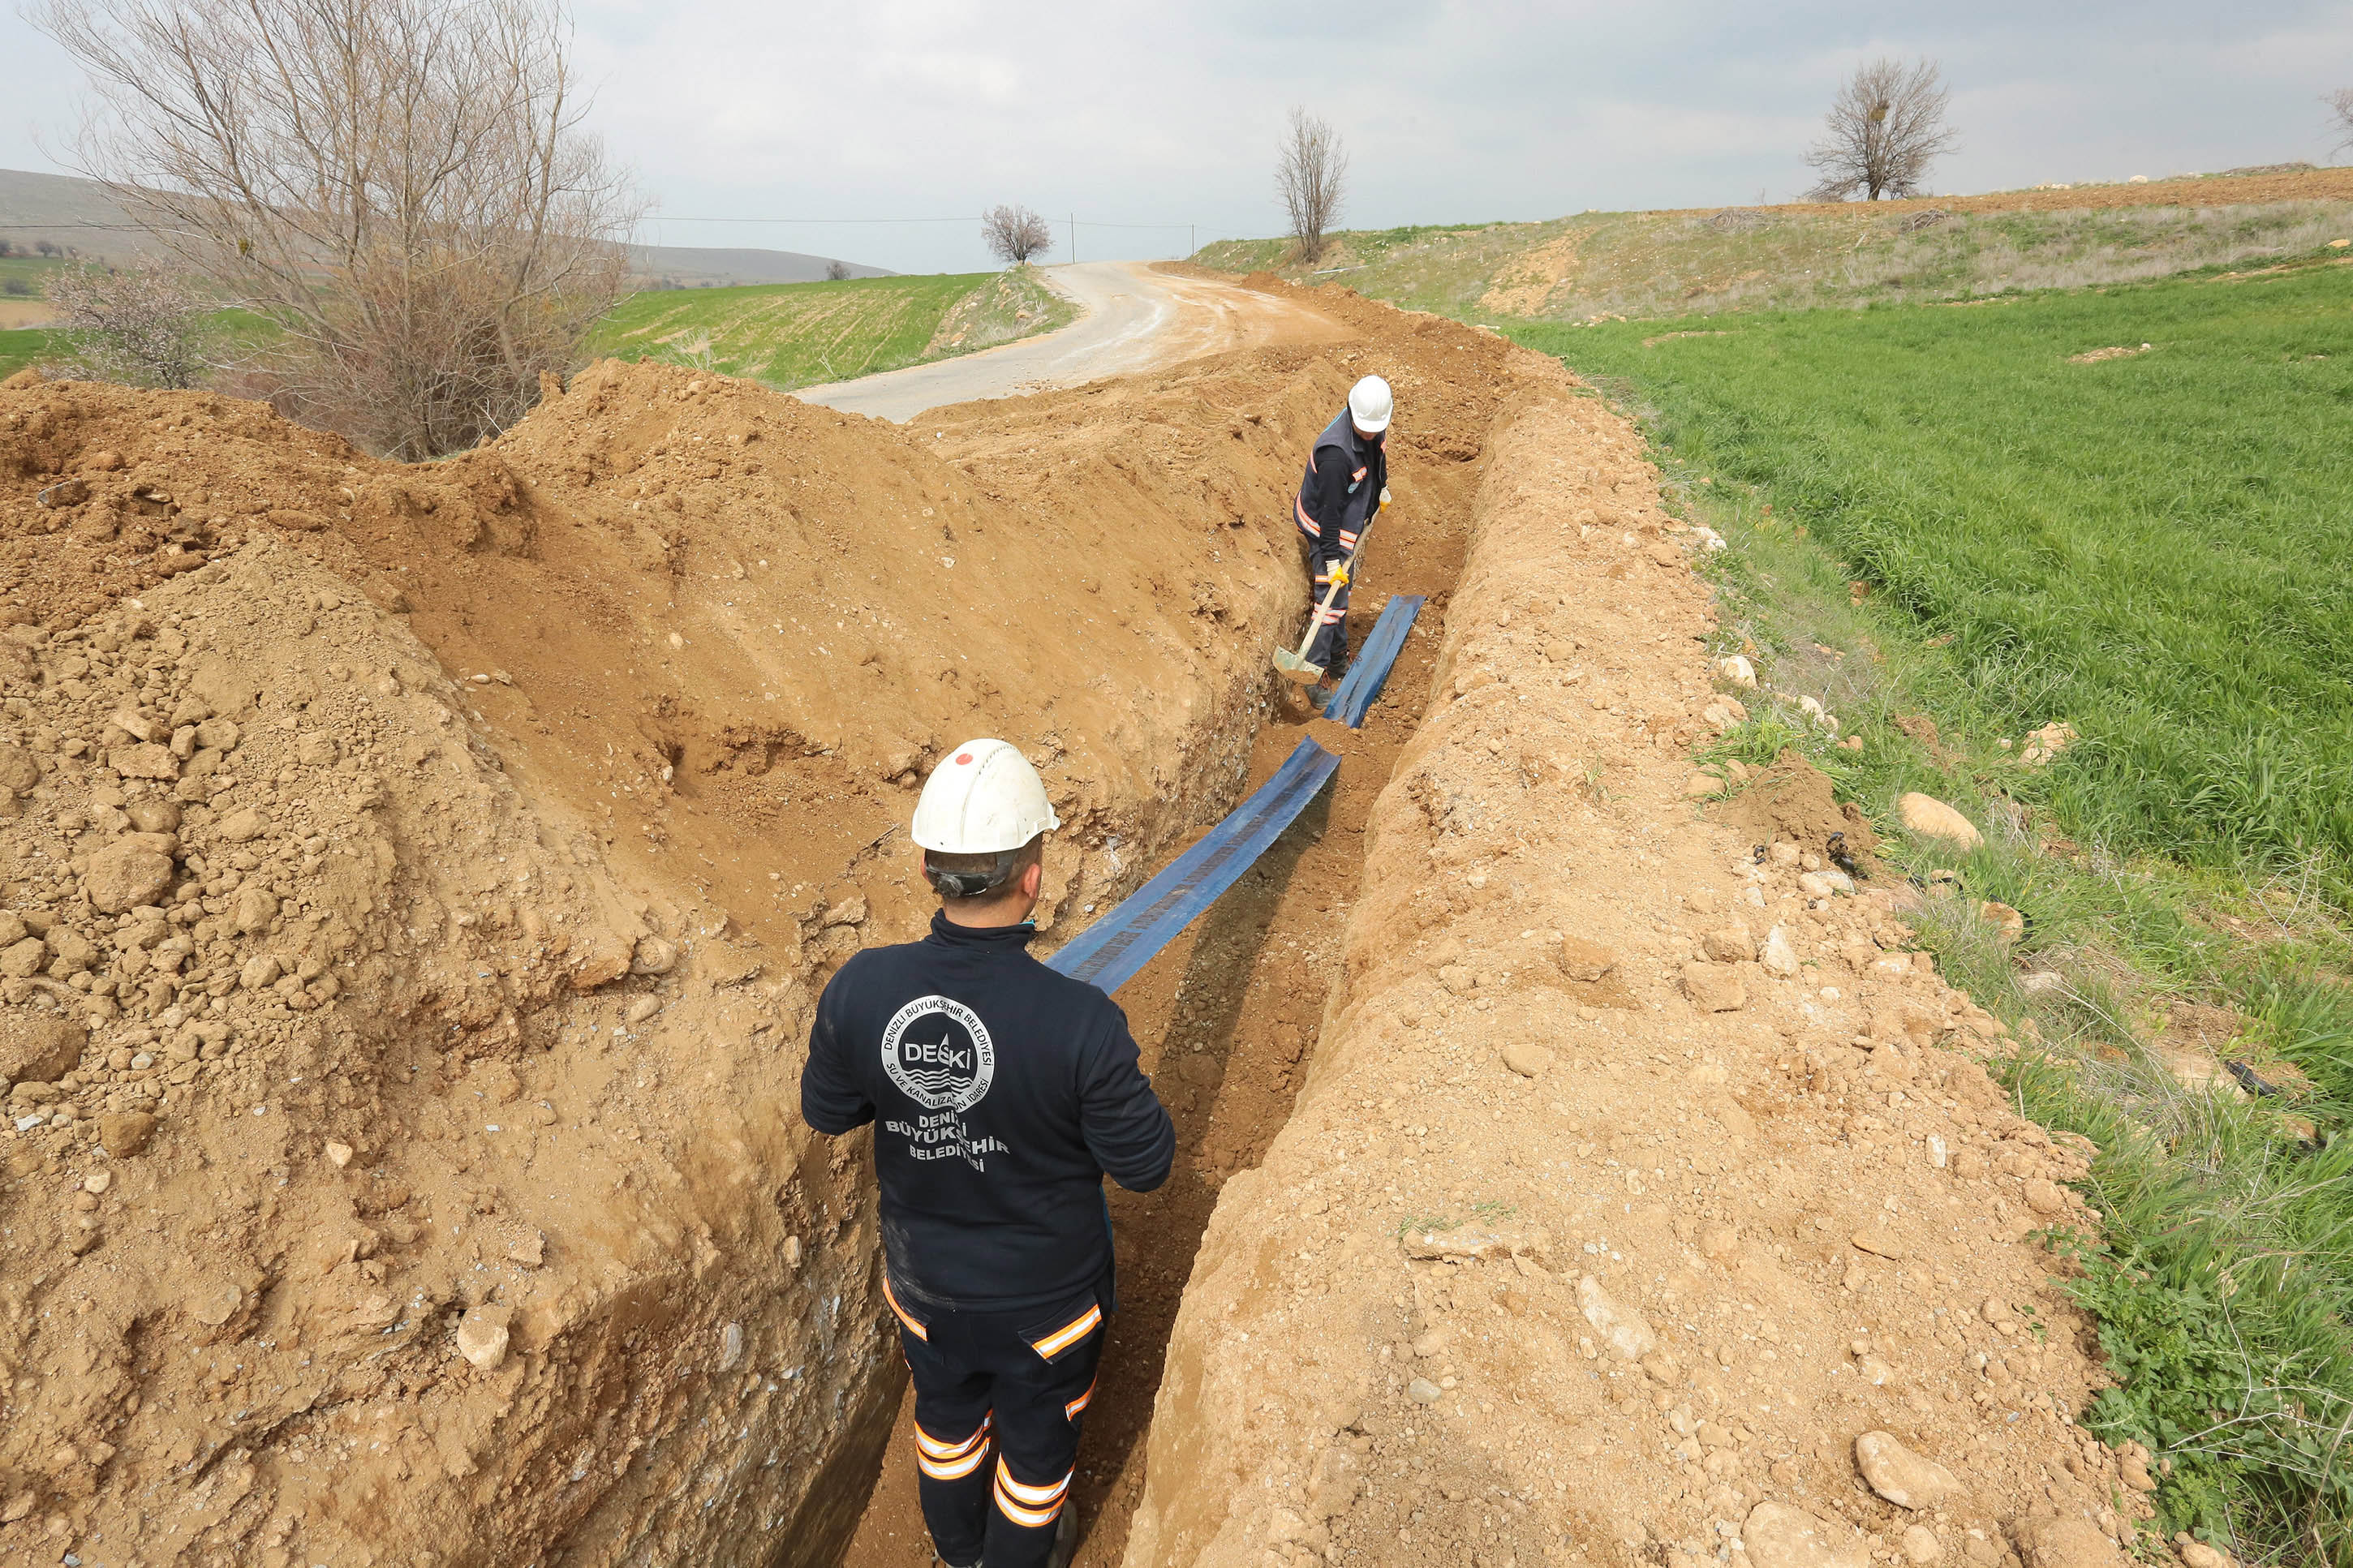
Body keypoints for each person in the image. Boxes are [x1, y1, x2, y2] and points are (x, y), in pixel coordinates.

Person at [800, 739, 1176, 1568]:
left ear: (930, 869)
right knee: (1037, 1452)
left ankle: (958, 1553)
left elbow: (827, 1111)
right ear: (1031, 876)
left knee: (945, 1422)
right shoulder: (1080, 1023)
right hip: (1047, 1307)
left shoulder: (860, 988)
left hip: (926, 1288)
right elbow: (1146, 1165)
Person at [1292, 373, 1392, 703]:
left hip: (1347, 508)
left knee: (1340, 592)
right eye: (1367, 429)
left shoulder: (1372, 423)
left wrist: (1382, 489)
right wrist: (1332, 559)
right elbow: (1329, 514)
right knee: (1330, 599)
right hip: (1324, 525)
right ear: (1352, 412)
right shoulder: (1335, 455)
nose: (1372, 433)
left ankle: (1336, 659)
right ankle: (1314, 671)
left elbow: (1378, 458)